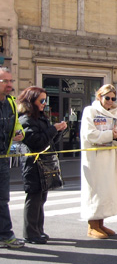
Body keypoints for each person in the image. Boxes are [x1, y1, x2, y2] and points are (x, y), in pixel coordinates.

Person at [17, 87, 67, 244]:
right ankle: (31, 233)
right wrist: (53, 129)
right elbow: (37, 142)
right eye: (42, 101)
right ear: (32, 101)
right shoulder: (26, 120)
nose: (44, 104)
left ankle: (39, 230)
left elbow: (49, 141)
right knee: (34, 197)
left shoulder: (41, 118)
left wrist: (58, 131)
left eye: (46, 100)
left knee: (41, 197)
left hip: (44, 163)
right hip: (33, 165)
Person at [79, 84, 117, 238]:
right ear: (99, 97)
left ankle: (101, 223)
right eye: (107, 98)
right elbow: (90, 135)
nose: (110, 101)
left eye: (113, 98)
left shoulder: (113, 113)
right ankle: (92, 225)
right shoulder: (90, 111)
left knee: (106, 191)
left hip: (110, 157)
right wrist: (110, 135)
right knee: (95, 190)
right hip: (95, 158)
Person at [0, 68, 25, 249]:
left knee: (2, 199)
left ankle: (5, 235)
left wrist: (19, 132)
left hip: (2, 157)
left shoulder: (10, 102)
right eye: (5, 81)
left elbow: (16, 124)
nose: (9, 85)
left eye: (11, 81)